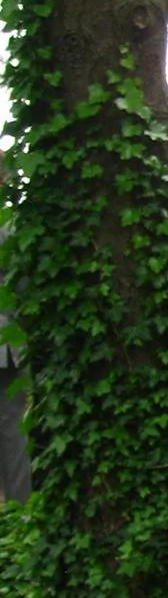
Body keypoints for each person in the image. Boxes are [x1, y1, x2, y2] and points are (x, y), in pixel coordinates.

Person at [0, 150, 30, 504]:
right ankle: (20, 513)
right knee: (12, 429)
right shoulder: (13, 224)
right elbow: (24, 287)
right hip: (8, 340)